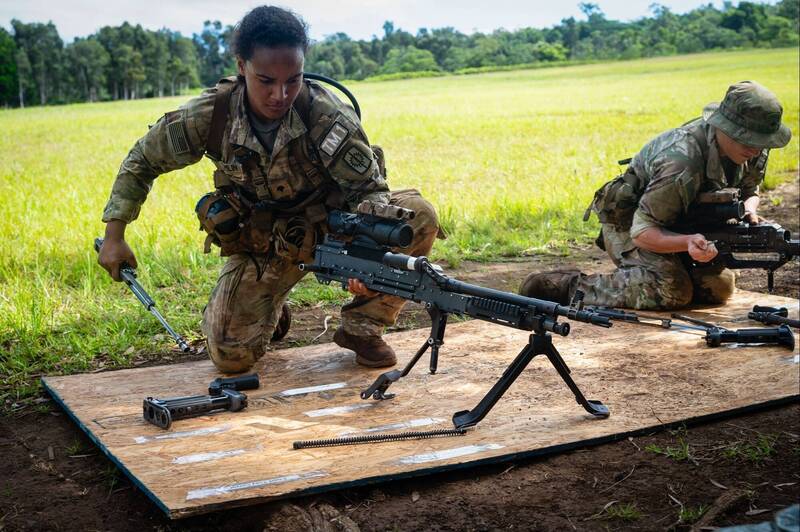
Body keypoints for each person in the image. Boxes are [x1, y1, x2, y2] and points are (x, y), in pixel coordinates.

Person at [98, 6, 441, 373]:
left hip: (335, 229)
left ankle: (361, 329)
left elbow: (369, 190)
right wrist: (115, 235)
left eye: (293, 80)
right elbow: (143, 159)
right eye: (266, 81)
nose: (281, 94)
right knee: (231, 358)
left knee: (418, 216)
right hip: (266, 242)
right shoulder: (211, 115)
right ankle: (270, 306)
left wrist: (369, 257)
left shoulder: (326, 116)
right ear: (241, 65)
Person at [519, 81, 792, 309]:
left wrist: (749, 209)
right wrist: (687, 243)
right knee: (672, 291)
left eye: (762, 142)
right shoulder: (681, 162)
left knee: (718, 289)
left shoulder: (752, 148)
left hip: (682, 222)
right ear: (724, 128)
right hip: (629, 223)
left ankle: (646, 275)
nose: (757, 150)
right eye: (749, 140)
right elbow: (642, 230)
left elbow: (750, 191)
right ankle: (563, 286)